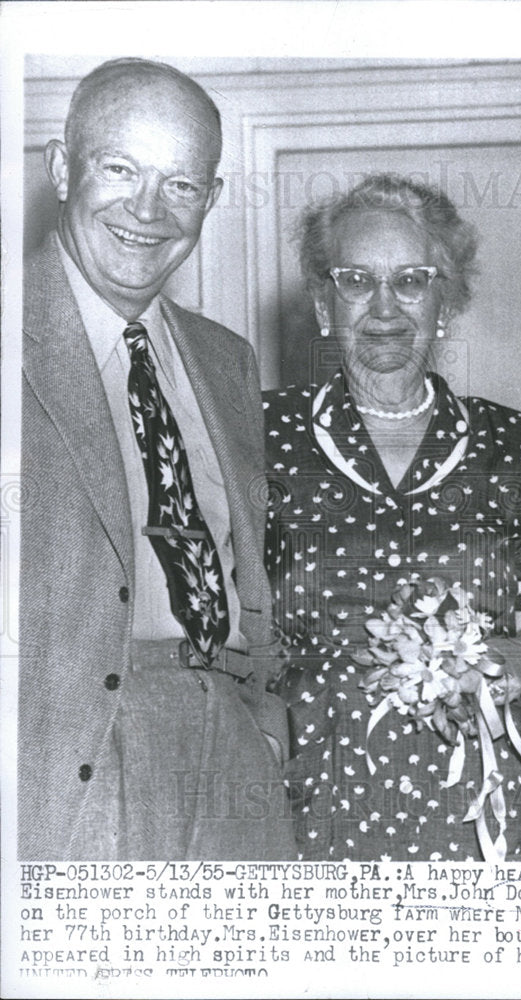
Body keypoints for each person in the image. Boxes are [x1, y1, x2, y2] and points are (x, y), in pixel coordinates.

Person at [21, 58, 295, 859]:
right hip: (64, 754)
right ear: (62, 168)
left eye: (179, 185)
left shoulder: (226, 359)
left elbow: (247, 557)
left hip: (226, 742)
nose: (147, 211)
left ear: (210, 199)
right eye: (120, 169)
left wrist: (262, 707)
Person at [263, 174, 521, 861]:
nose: (383, 308)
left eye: (410, 280)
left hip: (481, 811)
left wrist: (516, 660)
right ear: (322, 303)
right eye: (355, 280)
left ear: (445, 300)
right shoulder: (259, 433)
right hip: (314, 805)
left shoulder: (514, 444)